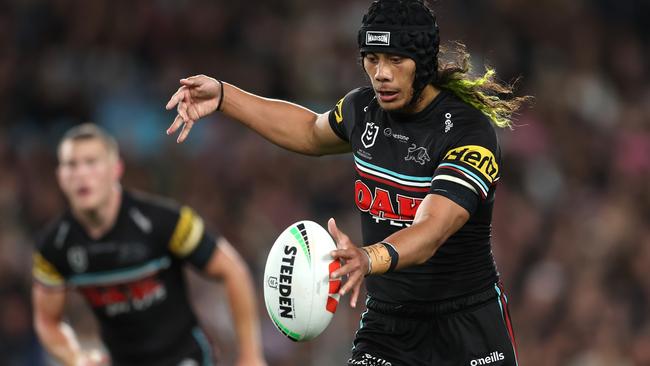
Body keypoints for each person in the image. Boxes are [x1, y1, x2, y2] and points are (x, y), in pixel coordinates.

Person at [165, 0, 531, 364]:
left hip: (467, 326)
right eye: (372, 58)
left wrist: (367, 257)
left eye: (395, 60)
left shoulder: (468, 132)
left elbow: (432, 230)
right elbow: (309, 131)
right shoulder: (362, 109)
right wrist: (225, 97)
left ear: (424, 63)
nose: (381, 74)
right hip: (390, 326)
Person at [32, 123, 266, 366]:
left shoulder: (165, 222)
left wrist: (251, 355)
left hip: (184, 358)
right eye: (71, 165)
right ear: (60, 176)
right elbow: (47, 321)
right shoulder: (53, 247)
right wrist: (76, 358)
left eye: (91, 162)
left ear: (116, 169)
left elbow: (233, 270)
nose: (81, 174)